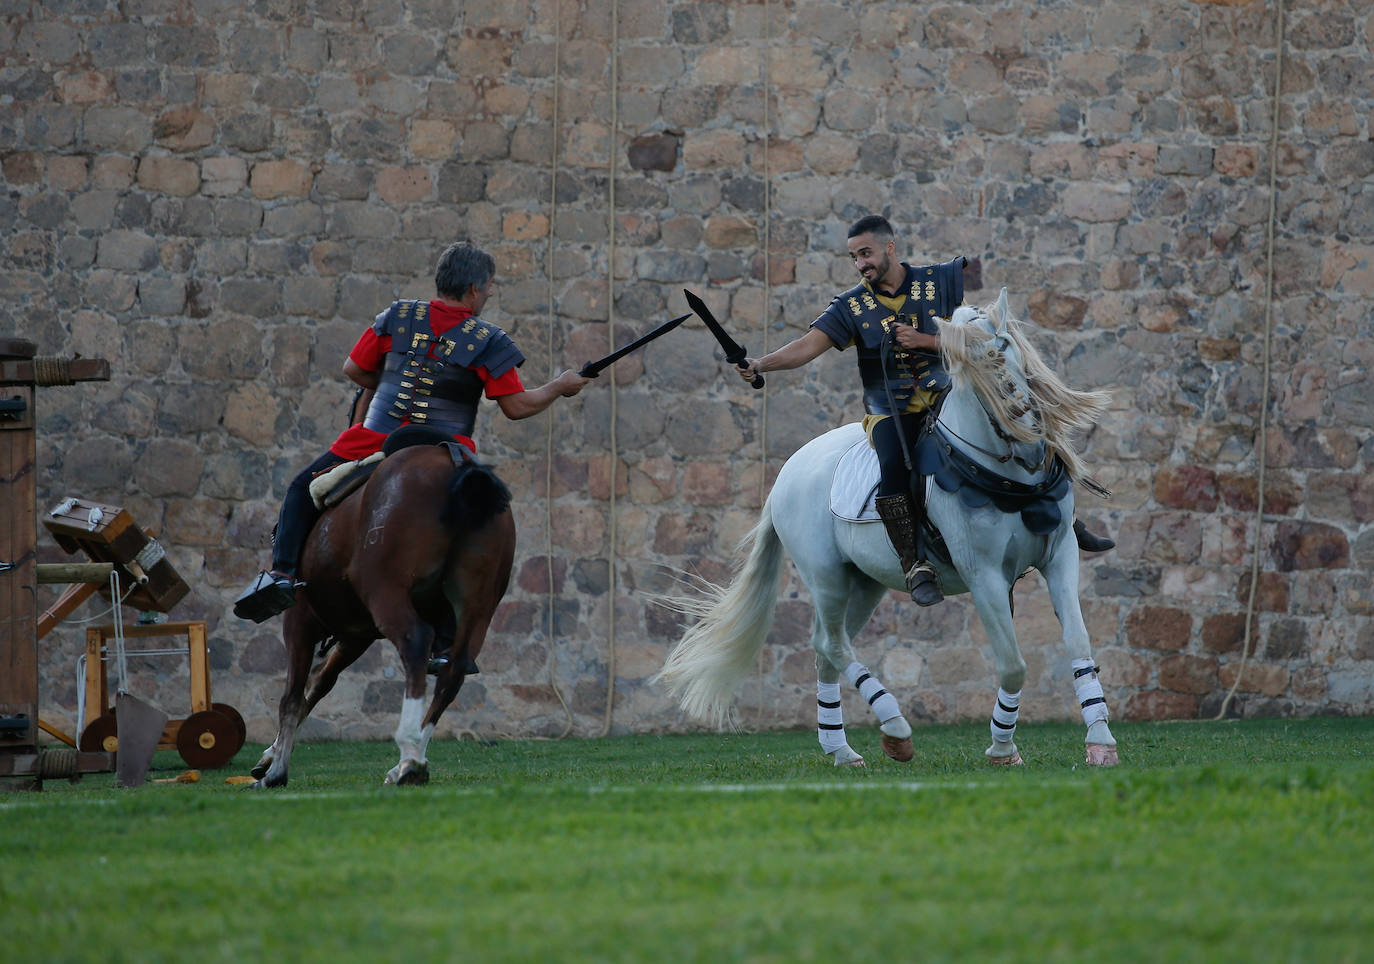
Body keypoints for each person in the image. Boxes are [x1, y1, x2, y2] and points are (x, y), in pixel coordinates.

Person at [735, 214, 1112, 607]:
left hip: (948, 399)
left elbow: (974, 336)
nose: (861, 263)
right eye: (854, 257)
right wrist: (761, 364)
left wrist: (925, 341)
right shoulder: (851, 306)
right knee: (894, 469)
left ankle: (1066, 522)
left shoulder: (938, 283)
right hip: (890, 412)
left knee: (1021, 420)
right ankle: (914, 562)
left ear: (889, 248)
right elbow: (807, 345)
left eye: (866, 253)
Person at [234, 241, 591, 626]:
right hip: (442, 449)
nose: (490, 292)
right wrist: (559, 386)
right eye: (489, 286)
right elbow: (517, 407)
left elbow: (353, 369)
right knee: (479, 519)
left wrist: (390, 378)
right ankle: (452, 627)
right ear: (473, 289)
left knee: (302, 489)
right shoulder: (489, 340)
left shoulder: (397, 316)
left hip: (372, 441)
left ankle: (283, 575)